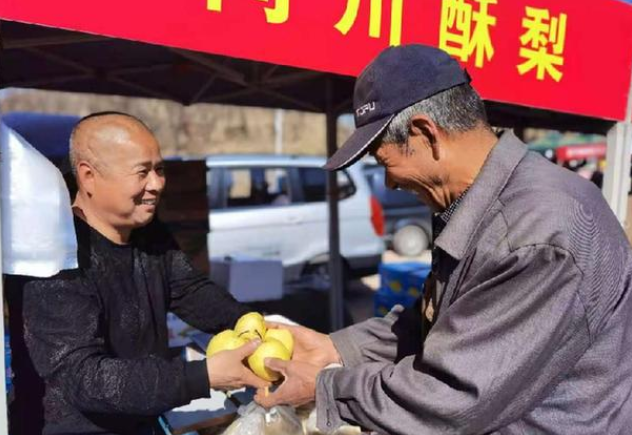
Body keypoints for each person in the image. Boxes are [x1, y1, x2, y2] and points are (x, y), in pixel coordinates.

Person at [254, 44, 632, 434]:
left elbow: (450, 397)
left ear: (425, 134)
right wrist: (337, 350)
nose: (389, 182)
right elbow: (447, 325)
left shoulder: (535, 234)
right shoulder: (487, 206)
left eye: (386, 163)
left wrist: (325, 389)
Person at [6, 112, 268, 435]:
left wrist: (250, 324)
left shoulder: (145, 231)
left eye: (159, 169)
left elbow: (189, 290)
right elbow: (86, 378)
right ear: (88, 176)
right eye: (142, 172)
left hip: (143, 420)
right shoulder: (53, 255)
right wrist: (203, 376)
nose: (157, 184)